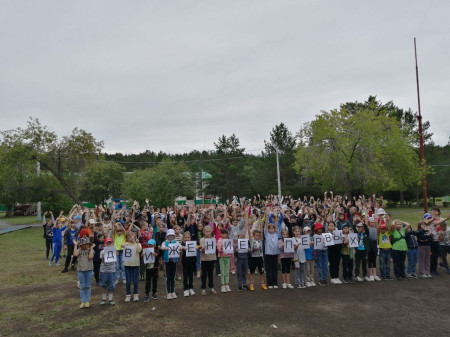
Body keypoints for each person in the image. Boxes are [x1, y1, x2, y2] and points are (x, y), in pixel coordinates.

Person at [73, 237, 95, 309]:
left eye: (87, 244)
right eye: (84, 245)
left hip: (89, 270)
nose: (85, 246)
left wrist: (91, 248)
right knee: (82, 286)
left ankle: (87, 300)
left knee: (88, 285)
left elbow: (90, 257)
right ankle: (83, 301)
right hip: (81, 270)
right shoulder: (79, 250)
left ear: (89, 245)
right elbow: (75, 254)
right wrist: (75, 245)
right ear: (81, 245)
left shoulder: (90, 250)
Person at [123, 233, 142, 302]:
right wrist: (124, 244)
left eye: (132, 237)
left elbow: (139, 250)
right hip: (127, 264)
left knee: (135, 280)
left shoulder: (138, 244)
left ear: (135, 237)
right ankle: (128, 294)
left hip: (135, 264)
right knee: (128, 280)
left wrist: (137, 243)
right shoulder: (127, 243)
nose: (131, 239)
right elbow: (122, 245)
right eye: (129, 237)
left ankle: (136, 294)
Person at [160, 229, 179, 300]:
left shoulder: (176, 242)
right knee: (168, 276)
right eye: (169, 235)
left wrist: (182, 247)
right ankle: (168, 292)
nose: (171, 236)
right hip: (167, 261)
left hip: (174, 261)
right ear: (167, 236)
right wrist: (166, 248)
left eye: (172, 235)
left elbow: (179, 247)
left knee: (173, 276)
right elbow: (162, 247)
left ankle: (173, 291)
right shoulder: (165, 242)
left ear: (174, 235)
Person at [200, 225, 217, 295]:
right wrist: (204, 248)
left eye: (209, 231)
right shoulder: (202, 240)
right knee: (204, 274)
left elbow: (214, 249)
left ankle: (211, 288)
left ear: (211, 232)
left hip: (212, 258)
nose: (208, 233)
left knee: (211, 274)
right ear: (204, 232)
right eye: (206, 231)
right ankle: (203, 288)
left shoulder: (213, 239)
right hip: (204, 259)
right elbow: (202, 251)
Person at [99, 237, 116, 306]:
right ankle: (103, 299)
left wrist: (115, 253)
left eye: (110, 243)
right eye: (107, 243)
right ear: (104, 244)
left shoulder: (114, 251)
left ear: (112, 244)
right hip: (104, 271)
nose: (108, 245)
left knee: (111, 285)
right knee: (104, 285)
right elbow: (103, 261)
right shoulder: (102, 252)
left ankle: (110, 299)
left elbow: (114, 259)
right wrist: (103, 257)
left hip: (111, 270)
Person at [180, 231, 197, 296]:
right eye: (186, 237)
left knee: (191, 275)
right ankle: (185, 289)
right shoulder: (183, 244)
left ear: (190, 237)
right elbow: (179, 248)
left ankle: (191, 288)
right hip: (185, 262)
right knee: (185, 275)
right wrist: (182, 248)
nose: (187, 238)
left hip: (192, 261)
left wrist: (197, 248)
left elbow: (198, 247)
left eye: (188, 237)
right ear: (183, 238)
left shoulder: (193, 244)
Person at [264, 221, 279, 289]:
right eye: (270, 228)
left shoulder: (276, 233)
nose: (271, 230)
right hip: (268, 254)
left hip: (275, 253)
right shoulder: (266, 234)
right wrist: (267, 216)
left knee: (274, 269)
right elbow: (266, 226)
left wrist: (276, 217)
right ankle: (269, 283)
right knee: (269, 269)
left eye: (272, 228)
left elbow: (276, 224)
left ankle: (275, 282)